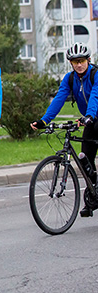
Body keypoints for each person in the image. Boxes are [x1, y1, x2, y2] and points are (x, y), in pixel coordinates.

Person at [30, 42, 98, 217]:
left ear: (88, 60)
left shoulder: (95, 74)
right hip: (89, 121)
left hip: (93, 117)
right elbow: (59, 99)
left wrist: (89, 116)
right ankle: (91, 199)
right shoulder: (69, 78)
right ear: (71, 63)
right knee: (85, 159)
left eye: (82, 61)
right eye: (75, 62)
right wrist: (44, 121)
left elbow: (95, 96)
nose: (79, 65)